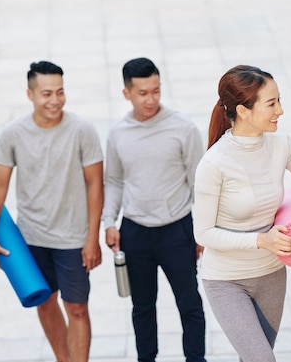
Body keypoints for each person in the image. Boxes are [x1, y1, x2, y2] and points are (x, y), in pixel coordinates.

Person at [192, 65, 291, 362]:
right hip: (225, 280)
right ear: (243, 111)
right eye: (271, 103)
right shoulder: (214, 163)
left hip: (271, 275)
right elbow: (202, 234)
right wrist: (261, 241)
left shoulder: (282, 145)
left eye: (279, 100)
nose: (280, 110)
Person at [0, 61, 104, 362]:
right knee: (45, 302)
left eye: (60, 92)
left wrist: (92, 239)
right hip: (32, 237)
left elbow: (95, 186)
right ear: (30, 94)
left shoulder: (82, 130)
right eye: (46, 93)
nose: (55, 100)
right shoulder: (13, 133)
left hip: (73, 238)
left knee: (77, 308)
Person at [103, 57, 207, 362]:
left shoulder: (183, 128)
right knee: (142, 307)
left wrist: (201, 229)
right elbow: (114, 180)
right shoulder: (118, 133)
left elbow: (199, 184)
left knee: (190, 304)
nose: (151, 99)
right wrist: (109, 221)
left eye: (156, 90)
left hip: (177, 229)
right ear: (127, 94)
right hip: (134, 232)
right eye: (143, 93)